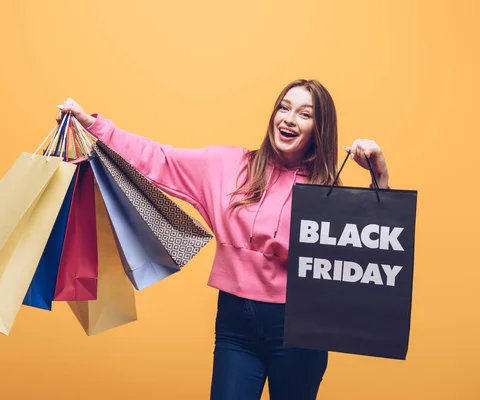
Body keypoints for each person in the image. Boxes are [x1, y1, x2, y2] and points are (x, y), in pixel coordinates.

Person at [56, 79, 390, 400]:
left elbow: (377, 248)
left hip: (301, 330)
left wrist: (380, 175)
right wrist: (93, 126)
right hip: (236, 327)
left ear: (320, 128)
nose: (288, 120)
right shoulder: (228, 165)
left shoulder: (328, 193)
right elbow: (159, 158)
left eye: (304, 113)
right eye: (283, 108)